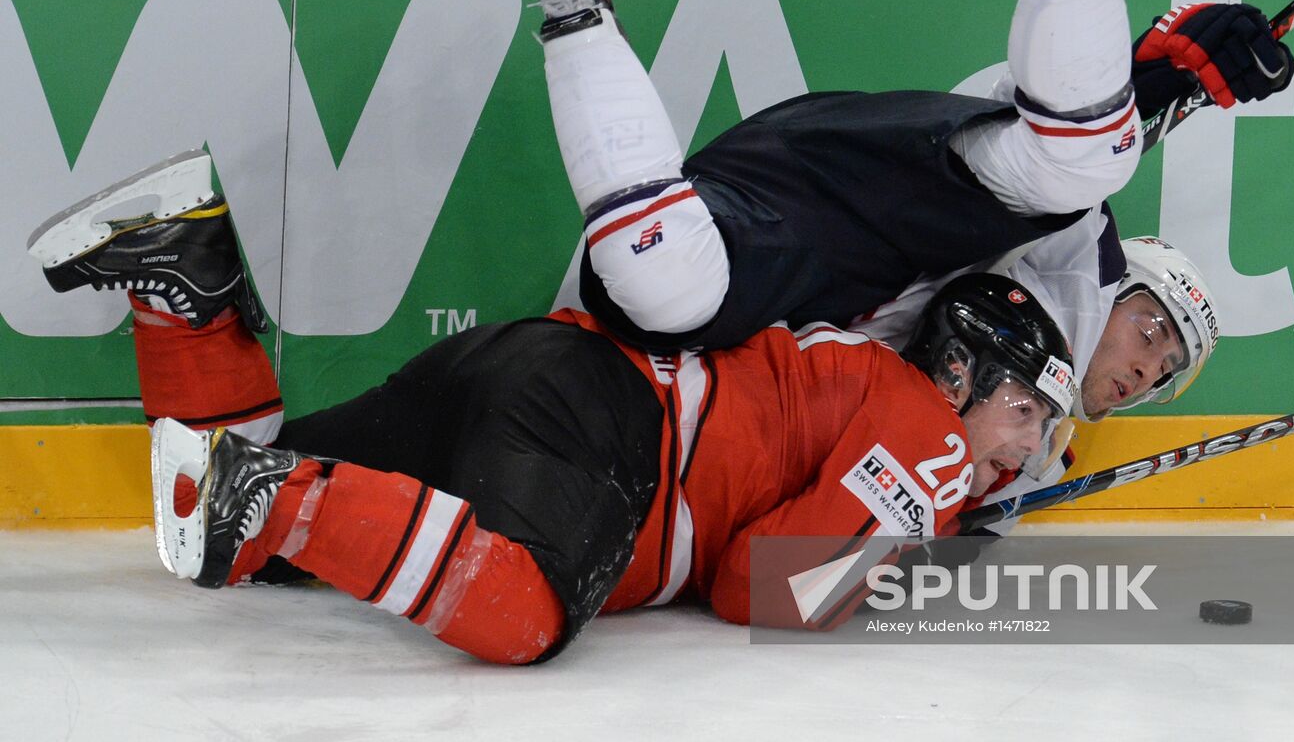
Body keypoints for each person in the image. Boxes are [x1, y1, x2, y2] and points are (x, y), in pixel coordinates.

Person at [31, 149, 1076, 664]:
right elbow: (756, 585)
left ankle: (186, 287)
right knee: (520, 611)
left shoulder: (851, 372)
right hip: (594, 425)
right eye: (1024, 412)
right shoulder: (925, 433)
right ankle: (279, 488)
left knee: (221, 538)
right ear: (958, 373)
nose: (1025, 449)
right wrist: (918, 535)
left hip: (521, 373)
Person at [489, 0, 1288, 439]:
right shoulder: (1087, 263)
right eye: (1152, 329)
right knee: (1086, 165)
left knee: (662, 280)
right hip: (874, 196)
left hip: (758, 253)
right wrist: (1150, 77)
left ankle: (570, 1)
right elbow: (995, 121)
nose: (1147, 367)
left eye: (1168, 370)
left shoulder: (1030, 431)